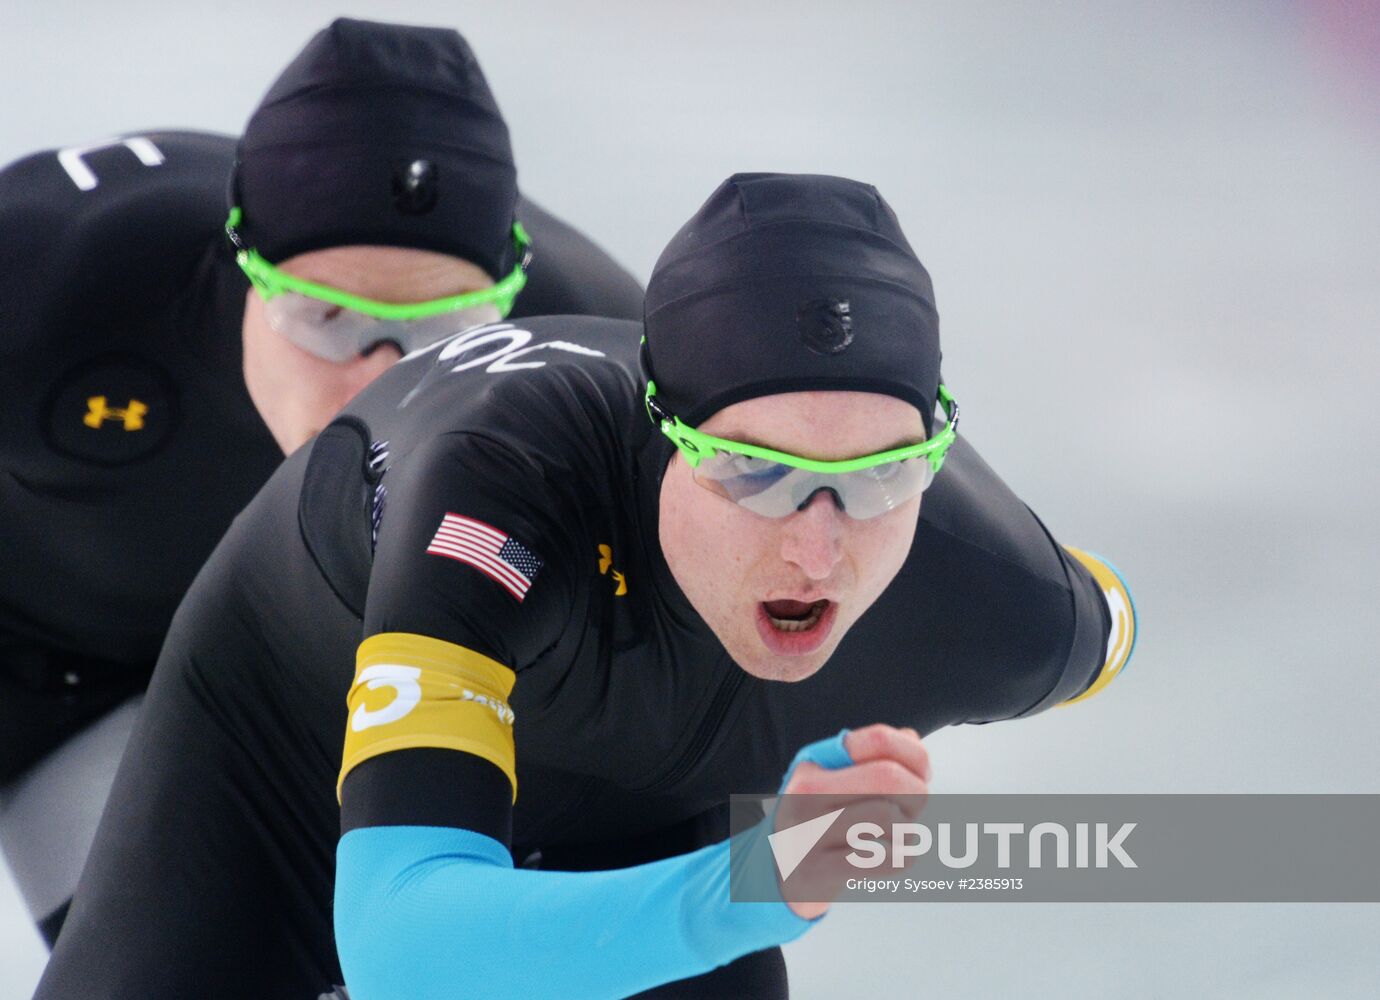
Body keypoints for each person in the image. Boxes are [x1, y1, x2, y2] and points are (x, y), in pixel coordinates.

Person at [37, 173, 1136, 999]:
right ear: (660, 440)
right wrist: (761, 880)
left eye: (880, 477)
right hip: (279, 773)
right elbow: (404, 948)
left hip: (646, 817)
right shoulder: (500, 493)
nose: (818, 549)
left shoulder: (1007, 603)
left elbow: (1109, 619)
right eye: (755, 470)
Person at [0, 17, 642, 948]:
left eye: (440, 331)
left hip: (274, 682)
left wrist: (792, 872)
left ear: (509, 304)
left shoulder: (604, 365)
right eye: (328, 317)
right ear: (239, 263)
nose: (378, 379)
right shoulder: (52, 277)